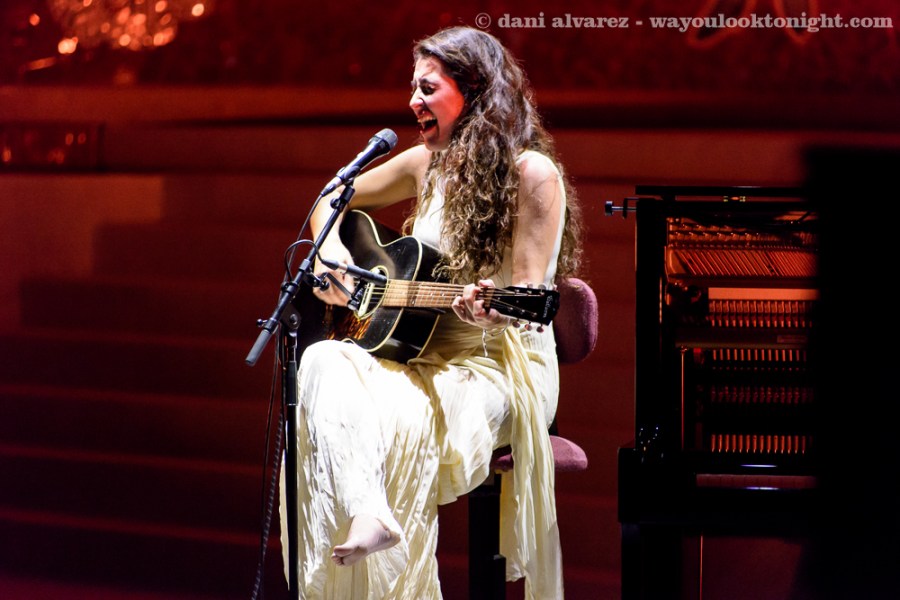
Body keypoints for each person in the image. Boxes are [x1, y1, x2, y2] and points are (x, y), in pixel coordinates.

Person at [279, 25, 584, 599]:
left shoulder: (532, 174)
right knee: (321, 361)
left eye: (427, 88)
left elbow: (526, 297)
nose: (412, 101)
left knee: (393, 423)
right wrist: (333, 253)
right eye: (412, 88)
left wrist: (490, 311)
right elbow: (332, 197)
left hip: (499, 365)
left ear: (475, 90)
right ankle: (369, 511)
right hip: (422, 356)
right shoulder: (427, 162)